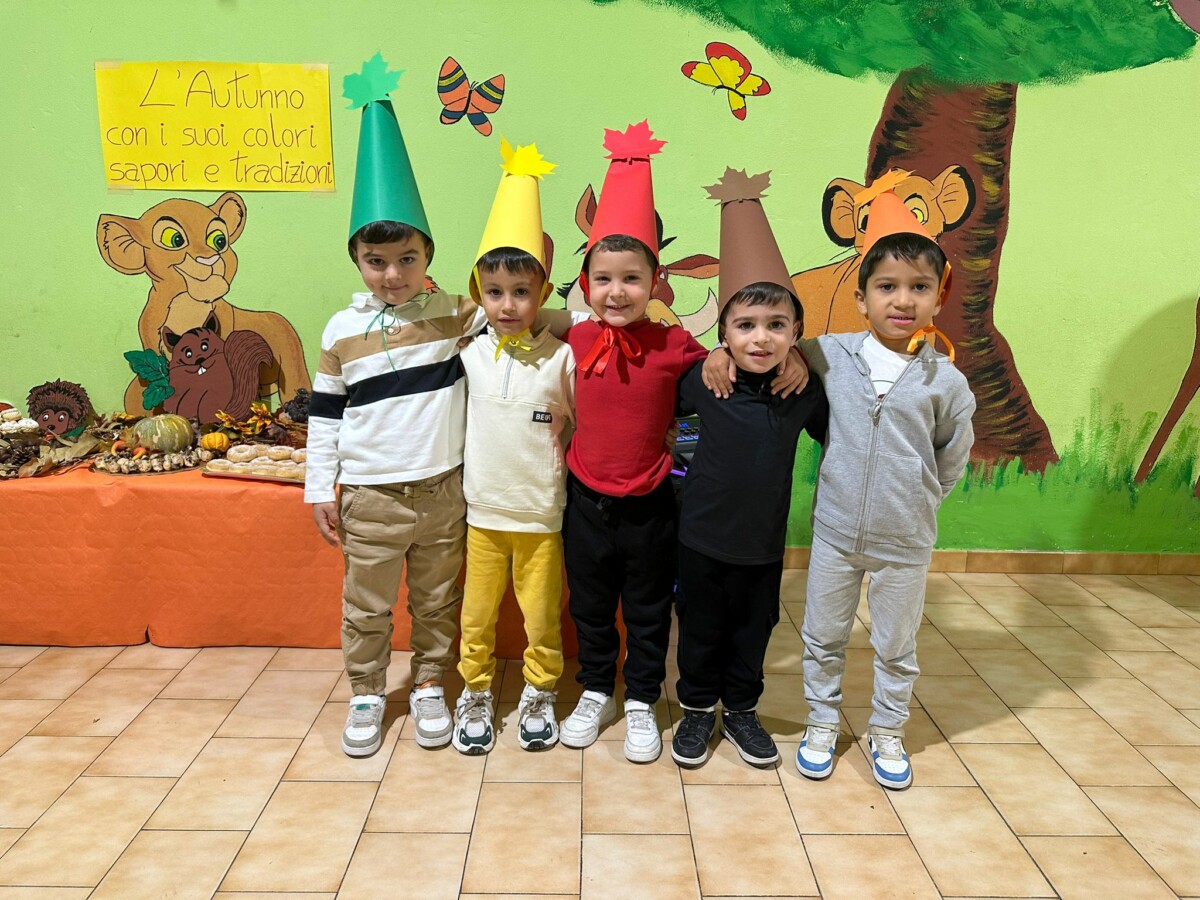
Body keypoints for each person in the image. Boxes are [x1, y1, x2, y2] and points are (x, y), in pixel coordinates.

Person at [558, 124, 808, 762]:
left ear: (656, 280)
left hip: (650, 505)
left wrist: (767, 352)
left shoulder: (679, 348)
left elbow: (735, 356)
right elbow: (520, 317)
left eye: (632, 278)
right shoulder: (575, 335)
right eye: (604, 278)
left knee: (647, 610)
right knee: (590, 605)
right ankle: (597, 689)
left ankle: (643, 697)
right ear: (585, 283)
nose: (618, 291)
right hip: (584, 500)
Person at [795, 187, 975, 789]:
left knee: (897, 644)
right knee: (823, 635)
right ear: (861, 297)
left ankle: (887, 729)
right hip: (835, 531)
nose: (903, 300)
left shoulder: (945, 381)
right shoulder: (827, 355)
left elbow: (952, 455)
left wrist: (920, 499)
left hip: (905, 541)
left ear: (938, 297)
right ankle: (822, 721)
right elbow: (768, 348)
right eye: (887, 286)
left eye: (919, 287)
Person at [671, 168, 828, 769]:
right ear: (725, 333)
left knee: (753, 630)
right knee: (700, 627)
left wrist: (805, 362)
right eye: (745, 326)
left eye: (776, 326)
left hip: (762, 546)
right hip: (700, 537)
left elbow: (835, 432)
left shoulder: (802, 391)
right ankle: (695, 710)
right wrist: (711, 355)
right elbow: (670, 412)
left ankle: (740, 711)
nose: (761, 339)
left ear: (795, 332)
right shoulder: (704, 379)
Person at [452, 141, 574, 755]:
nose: (507, 305)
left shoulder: (562, 358)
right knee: (474, 617)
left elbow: (579, 421)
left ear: (542, 290)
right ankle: (474, 689)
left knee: (542, 617)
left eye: (521, 291)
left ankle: (540, 689)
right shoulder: (468, 353)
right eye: (494, 291)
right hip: (482, 516)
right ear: (478, 290)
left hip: (540, 517)